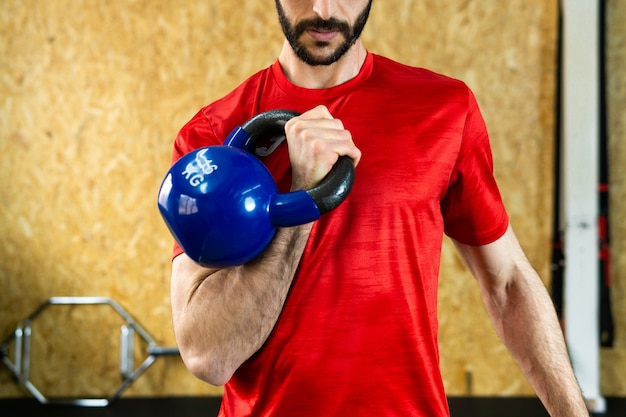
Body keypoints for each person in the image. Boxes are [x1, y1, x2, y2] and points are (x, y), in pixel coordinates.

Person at [168, 1, 590, 416]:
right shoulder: (212, 137)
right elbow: (209, 356)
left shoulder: (443, 109)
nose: (323, 9)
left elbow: (509, 283)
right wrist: (303, 194)